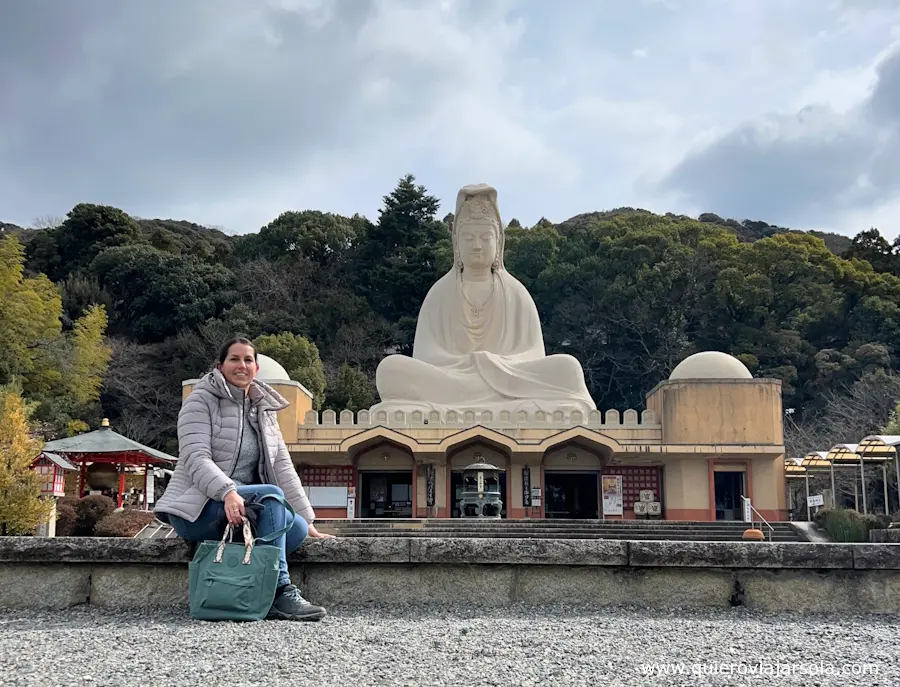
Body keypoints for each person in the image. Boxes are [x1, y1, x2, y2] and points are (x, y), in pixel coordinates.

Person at [371, 183, 596, 417]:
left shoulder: (516, 293)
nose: (477, 245)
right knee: (390, 370)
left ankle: (464, 407)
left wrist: (493, 364)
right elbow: (426, 355)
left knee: (568, 368)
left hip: (509, 381)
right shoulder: (439, 293)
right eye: (468, 237)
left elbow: (533, 354)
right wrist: (471, 364)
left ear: (499, 241)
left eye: (485, 237)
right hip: (452, 381)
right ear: (456, 243)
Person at [154, 336, 333, 621]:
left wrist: (308, 519)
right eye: (234, 359)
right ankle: (279, 591)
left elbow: (282, 465)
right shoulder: (201, 400)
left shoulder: (262, 407)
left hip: (246, 508)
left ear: (256, 368)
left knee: (295, 528)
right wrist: (227, 491)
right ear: (220, 366)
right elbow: (195, 457)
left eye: (248, 360)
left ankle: (248, 580)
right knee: (271, 498)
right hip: (200, 507)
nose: (242, 365)